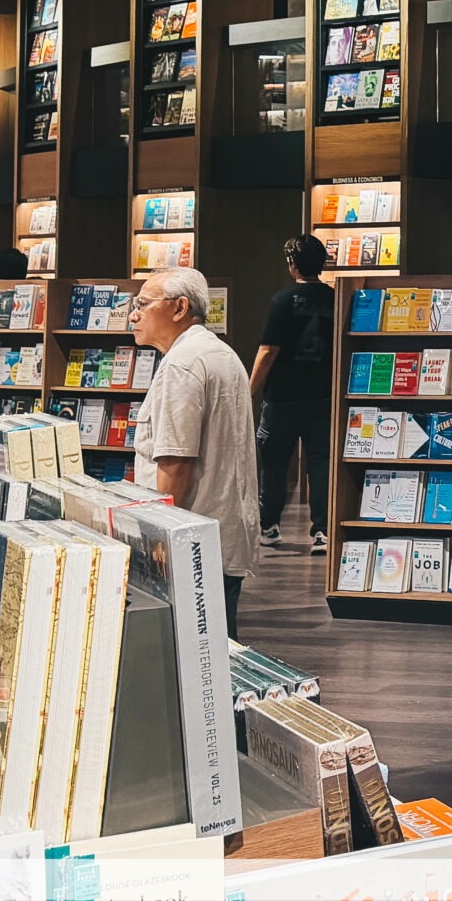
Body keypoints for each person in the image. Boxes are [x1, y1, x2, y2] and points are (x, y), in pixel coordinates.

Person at [130, 265, 258, 637]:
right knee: (220, 653)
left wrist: (156, 542)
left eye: (143, 303)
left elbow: (175, 463)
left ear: (179, 307)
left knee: (195, 659)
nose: (134, 314)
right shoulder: (221, 353)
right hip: (223, 537)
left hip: (191, 544)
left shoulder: (182, 365)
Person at [250, 236, 336, 554]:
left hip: (282, 398)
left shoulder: (282, 301)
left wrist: (250, 390)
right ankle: (323, 531)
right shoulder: (335, 298)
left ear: (292, 265)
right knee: (321, 464)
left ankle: (270, 526)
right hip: (324, 397)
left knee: (274, 462)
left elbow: (269, 350)